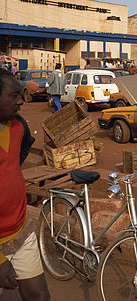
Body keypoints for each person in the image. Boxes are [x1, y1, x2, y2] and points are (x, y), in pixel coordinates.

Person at [0, 70, 50, 300]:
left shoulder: (19, 125)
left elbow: (21, 151)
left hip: (20, 231)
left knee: (39, 296)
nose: (21, 100)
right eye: (14, 95)